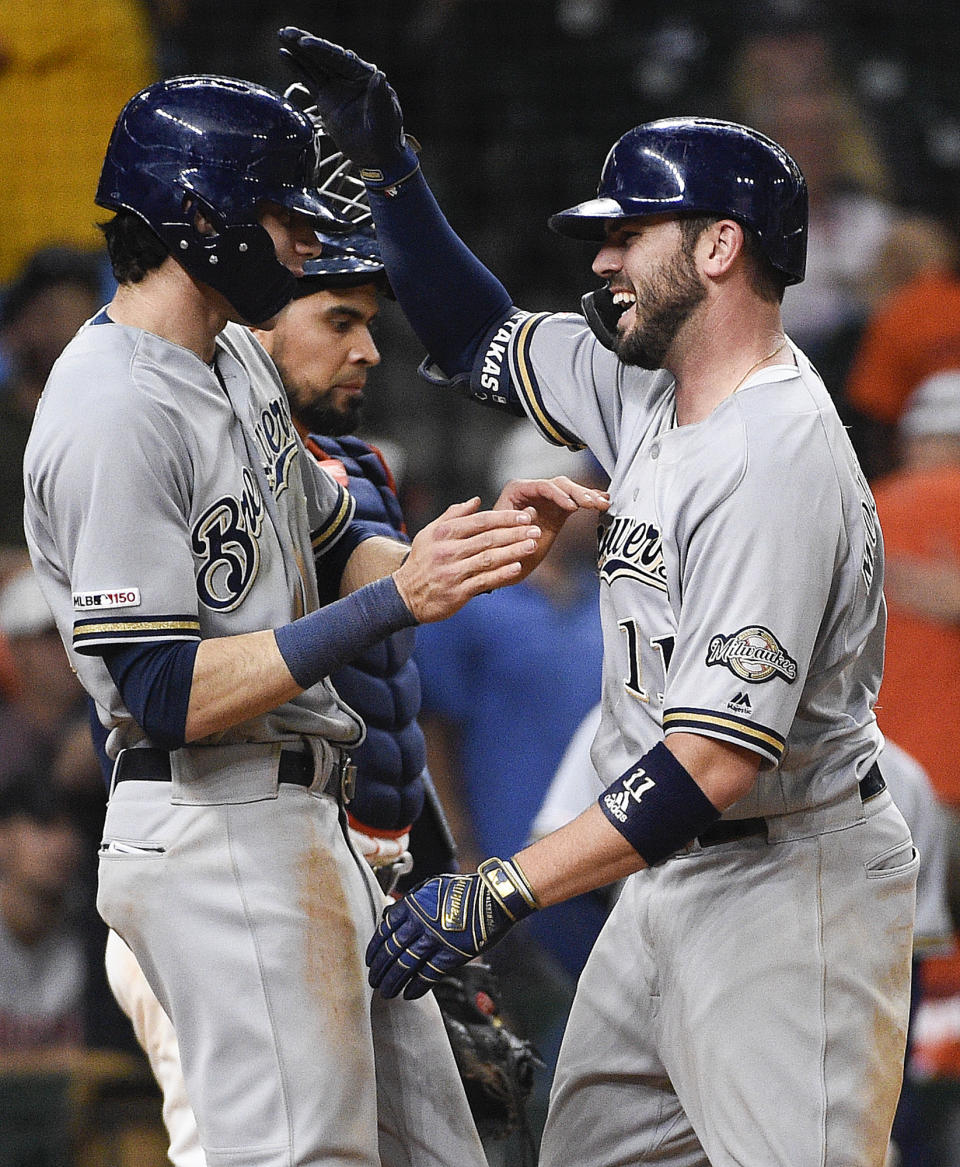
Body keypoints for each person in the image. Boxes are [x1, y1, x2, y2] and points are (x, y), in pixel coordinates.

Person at [280, 29, 919, 1166]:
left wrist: (494, 892)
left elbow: (716, 764)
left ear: (722, 246)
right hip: (670, 878)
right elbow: (476, 332)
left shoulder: (774, 454)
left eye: (630, 232)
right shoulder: (649, 385)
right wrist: (392, 171)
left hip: (789, 888)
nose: (605, 259)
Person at [21, 73, 606, 1167]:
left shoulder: (234, 357)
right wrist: (398, 599)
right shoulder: (109, 407)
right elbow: (165, 693)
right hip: (211, 827)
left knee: (443, 1152)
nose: (300, 240)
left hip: (310, 827)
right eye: (283, 216)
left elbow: (339, 542)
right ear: (203, 219)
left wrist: (478, 553)